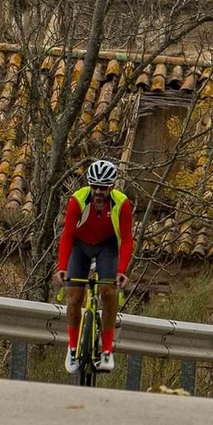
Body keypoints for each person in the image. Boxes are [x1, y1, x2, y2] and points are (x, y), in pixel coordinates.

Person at [57, 157, 133, 374]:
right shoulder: (77, 200)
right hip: (80, 247)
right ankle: (72, 347)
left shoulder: (122, 203)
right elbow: (67, 235)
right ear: (90, 185)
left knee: (109, 292)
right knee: (74, 296)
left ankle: (107, 350)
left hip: (106, 247)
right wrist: (62, 267)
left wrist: (122, 271)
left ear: (112, 187)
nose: (99, 192)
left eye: (104, 188)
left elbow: (127, 239)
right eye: (95, 187)